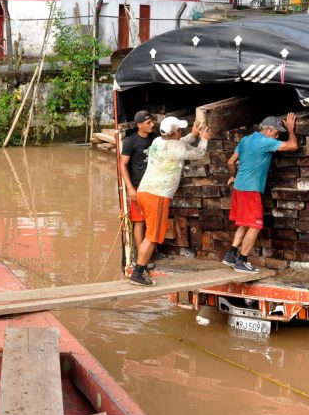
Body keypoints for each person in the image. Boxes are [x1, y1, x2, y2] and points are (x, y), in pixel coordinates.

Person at [130, 116, 212, 286]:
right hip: (157, 195)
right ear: (175, 132)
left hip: (144, 192)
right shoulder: (175, 148)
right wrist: (203, 139)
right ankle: (138, 272)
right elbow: (198, 153)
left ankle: (140, 268)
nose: (180, 133)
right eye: (179, 130)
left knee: (151, 232)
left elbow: (179, 143)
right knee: (152, 236)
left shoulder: (158, 141)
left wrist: (193, 135)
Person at [223, 114, 298, 273]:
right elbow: (293, 145)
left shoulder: (246, 140)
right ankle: (242, 261)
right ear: (268, 130)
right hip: (251, 190)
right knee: (256, 226)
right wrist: (291, 129)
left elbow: (231, 162)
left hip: (240, 188)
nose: (277, 137)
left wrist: (236, 176)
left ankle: (231, 255)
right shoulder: (265, 141)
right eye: (276, 133)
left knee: (245, 223)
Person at [120, 110, 158, 259]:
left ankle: (151, 250)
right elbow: (123, 164)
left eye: (152, 121)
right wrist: (130, 188)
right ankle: (141, 255)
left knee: (152, 220)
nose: (152, 125)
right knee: (139, 221)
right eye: (148, 123)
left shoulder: (155, 139)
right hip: (138, 187)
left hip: (154, 186)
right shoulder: (131, 141)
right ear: (139, 125)